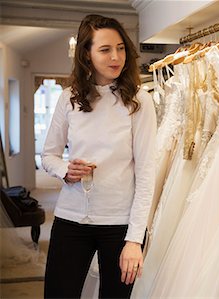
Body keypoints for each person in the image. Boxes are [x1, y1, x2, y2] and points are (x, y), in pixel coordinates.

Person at [41, 14, 156, 298]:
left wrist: (134, 240)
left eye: (120, 48)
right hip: (70, 220)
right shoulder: (68, 98)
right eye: (105, 50)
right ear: (87, 55)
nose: (116, 56)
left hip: (119, 225)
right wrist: (65, 170)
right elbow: (48, 156)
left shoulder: (140, 101)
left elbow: (146, 174)